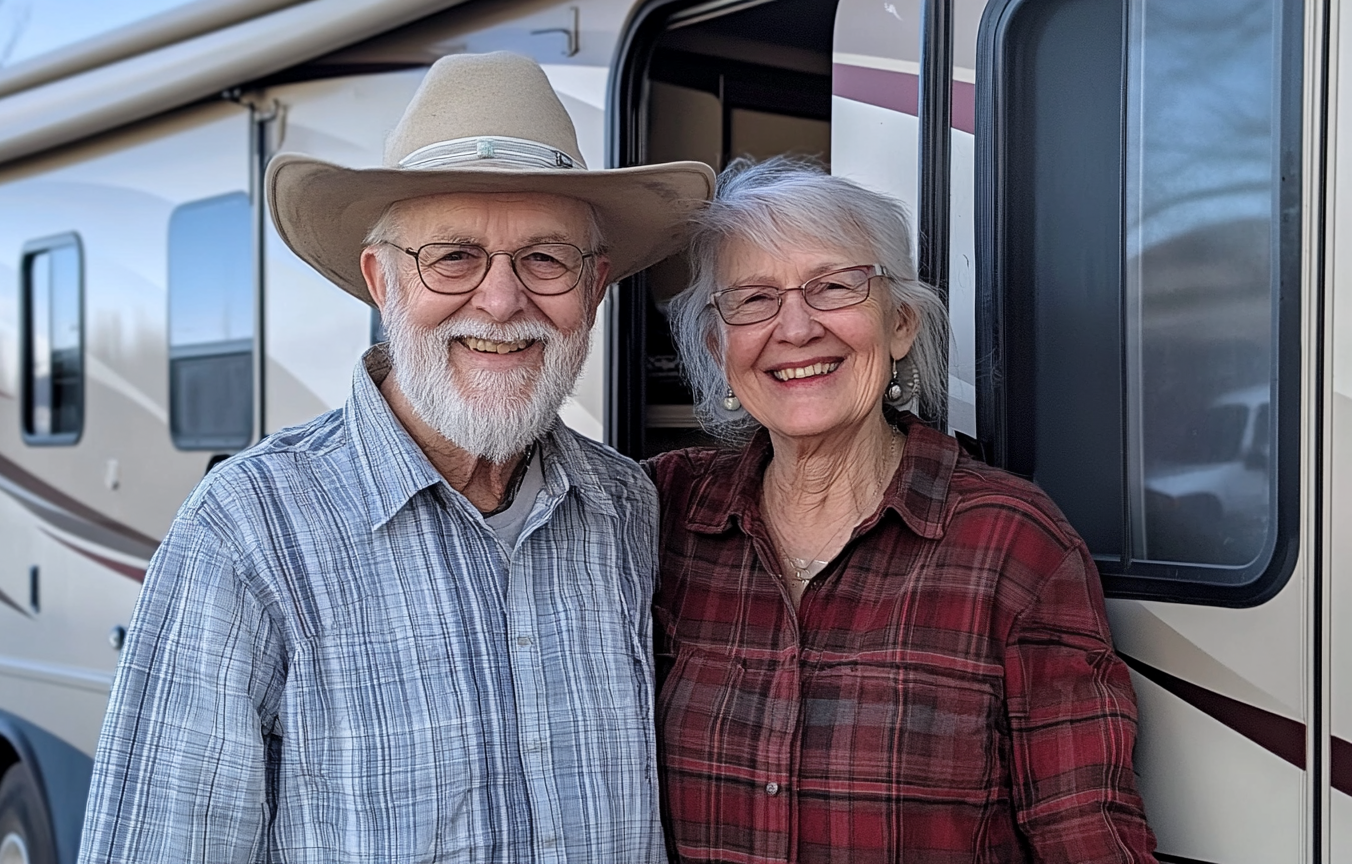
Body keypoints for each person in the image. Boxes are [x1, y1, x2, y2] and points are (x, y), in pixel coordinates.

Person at [76, 52, 713, 863]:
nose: (502, 299)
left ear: (592, 289)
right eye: (453, 256)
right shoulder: (248, 534)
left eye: (545, 258)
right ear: (383, 282)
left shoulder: (626, 509)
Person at [649, 159, 1157, 863]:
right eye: (754, 299)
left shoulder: (1013, 544)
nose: (794, 329)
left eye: (833, 287)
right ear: (718, 347)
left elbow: (1086, 836)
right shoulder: (657, 513)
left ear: (900, 325)